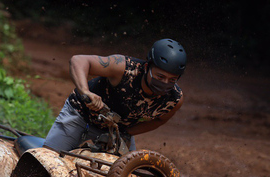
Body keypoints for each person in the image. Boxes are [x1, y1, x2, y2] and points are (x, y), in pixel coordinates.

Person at [43, 38, 187, 152]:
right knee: (49, 161)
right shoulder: (123, 68)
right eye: (160, 76)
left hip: (116, 130)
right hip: (81, 115)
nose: (165, 82)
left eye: (172, 80)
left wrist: (126, 133)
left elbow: (159, 121)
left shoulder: (174, 99)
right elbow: (78, 60)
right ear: (146, 68)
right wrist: (85, 92)